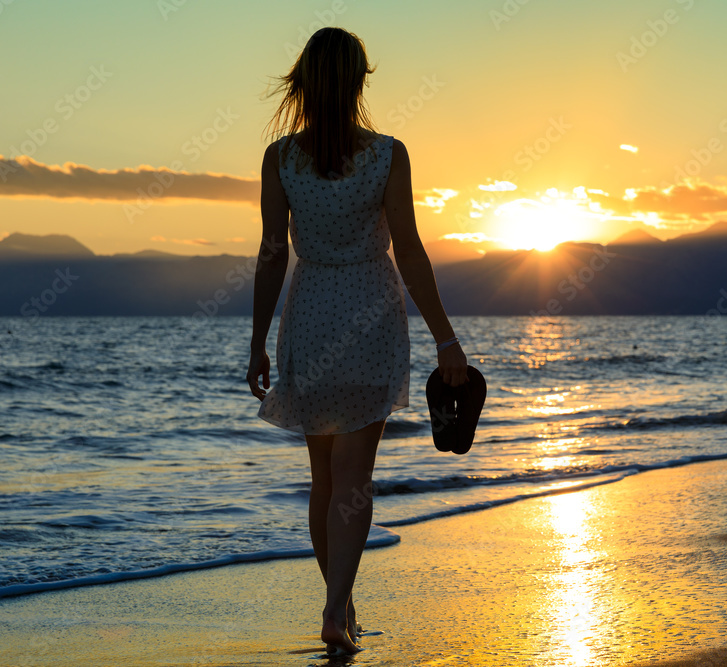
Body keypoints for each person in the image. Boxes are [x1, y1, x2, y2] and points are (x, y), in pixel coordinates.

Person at [245, 27, 468, 656]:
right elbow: (413, 251)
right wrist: (445, 339)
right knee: (355, 480)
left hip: (310, 313)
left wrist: (258, 341)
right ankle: (337, 607)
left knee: (324, 480)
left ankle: (338, 605)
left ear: (302, 84)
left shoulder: (280, 159)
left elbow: (269, 256)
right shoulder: (388, 154)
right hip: (371, 313)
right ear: (360, 81)